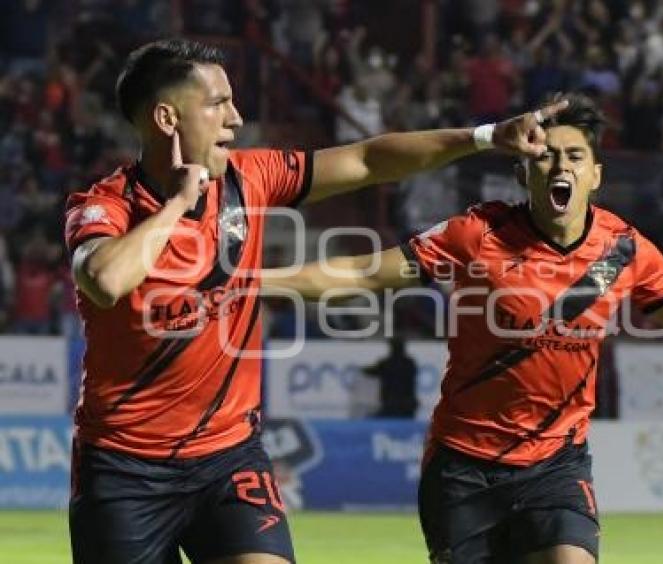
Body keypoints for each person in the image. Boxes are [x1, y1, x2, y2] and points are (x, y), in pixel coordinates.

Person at [262, 93, 663, 564]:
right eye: (545, 156)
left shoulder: (622, 250)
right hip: (463, 467)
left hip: (556, 464)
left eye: (573, 156)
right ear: (524, 172)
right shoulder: (476, 234)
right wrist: (257, 281)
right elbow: (365, 274)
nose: (559, 165)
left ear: (595, 174)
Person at [64, 38, 568, 564]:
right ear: (167, 117)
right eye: (217, 104)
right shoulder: (105, 205)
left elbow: (367, 159)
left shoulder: (248, 179)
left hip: (227, 456)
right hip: (125, 467)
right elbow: (105, 279)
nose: (235, 118)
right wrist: (179, 205)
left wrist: (484, 136)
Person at [362, 337, 419, 418]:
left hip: (390, 406)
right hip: (408, 407)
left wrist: (360, 369)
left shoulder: (386, 363)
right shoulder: (410, 363)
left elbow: (370, 371)